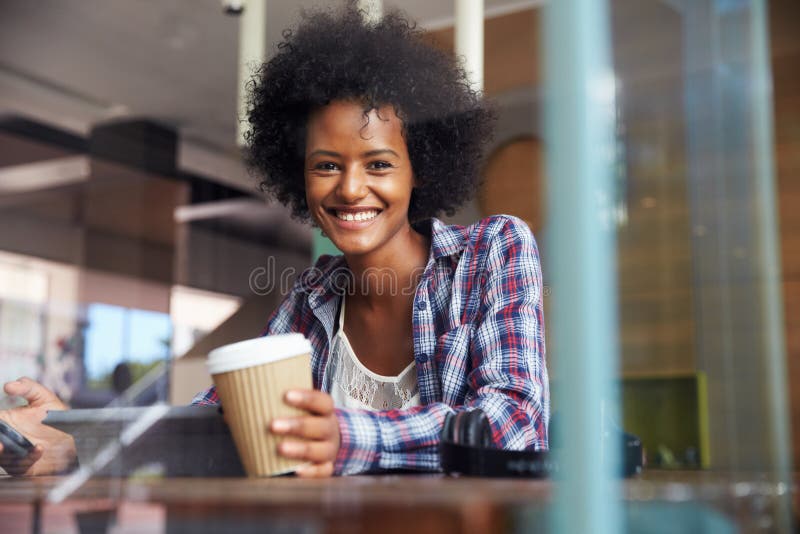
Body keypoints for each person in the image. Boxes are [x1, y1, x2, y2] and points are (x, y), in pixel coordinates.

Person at [0, 4, 548, 479]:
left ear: (419, 170)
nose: (351, 188)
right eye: (327, 165)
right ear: (300, 175)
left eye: (379, 164)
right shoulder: (312, 298)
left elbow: (513, 422)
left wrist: (347, 436)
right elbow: (220, 421)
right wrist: (74, 439)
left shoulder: (492, 251)